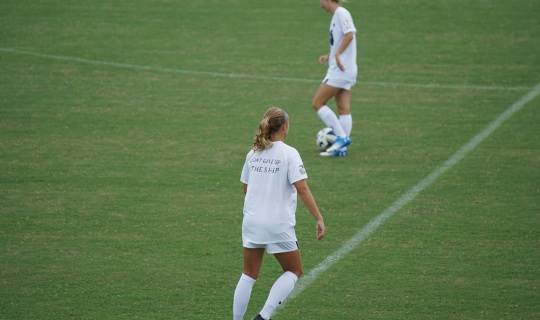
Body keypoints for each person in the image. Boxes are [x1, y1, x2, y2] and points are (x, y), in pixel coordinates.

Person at [233, 107, 326, 320]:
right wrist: (319, 218)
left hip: (252, 221)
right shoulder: (289, 153)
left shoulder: (253, 152)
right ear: (284, 126)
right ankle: (263, 316)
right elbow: (302, 188)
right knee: (293, 270)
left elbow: (246, 188)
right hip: (277, 223)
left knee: (248, 274)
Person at [313, 0, 358, 157]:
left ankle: (341, 138)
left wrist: (337, 55)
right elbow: (340, 41)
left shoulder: (341, 13)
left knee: (318, 103)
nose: (319, 3)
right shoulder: (336, 15)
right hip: (346, 69)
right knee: (343, 109)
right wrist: (330, 55)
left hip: (340, 70)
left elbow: (350, 34)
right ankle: (341, 150)